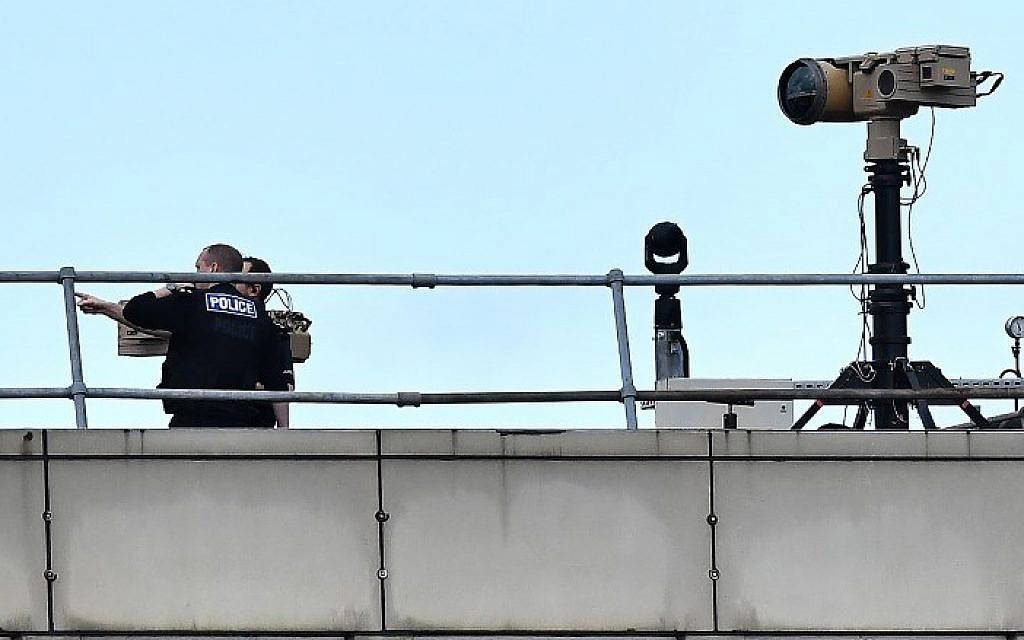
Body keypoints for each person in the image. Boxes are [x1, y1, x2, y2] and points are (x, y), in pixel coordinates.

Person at [117, 244, 288, 427]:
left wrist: (172, 287)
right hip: (241, 425)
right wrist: (285, 431)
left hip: (193, 420)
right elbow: (277, 382)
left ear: (213, 268)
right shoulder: (260, 317)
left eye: (198, 267)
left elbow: (134, 310)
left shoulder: (192, 302)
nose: (195, 274)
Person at [242, 256, 293, 428]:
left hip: (256, 425)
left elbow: (281, 387)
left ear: (254, 290)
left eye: (236, 278)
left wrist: (284, 433)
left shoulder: (272, 333)